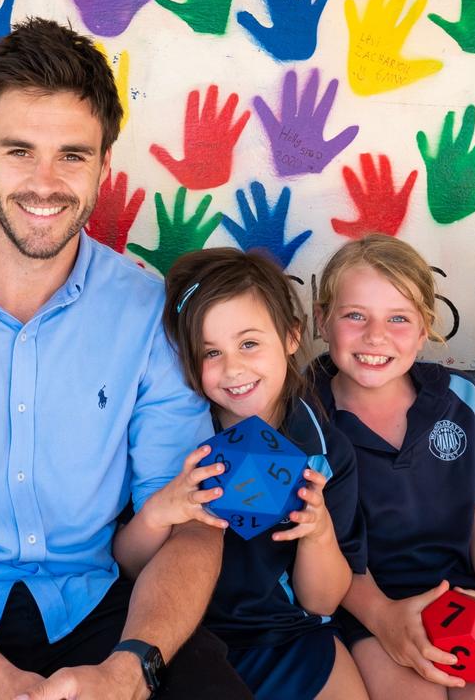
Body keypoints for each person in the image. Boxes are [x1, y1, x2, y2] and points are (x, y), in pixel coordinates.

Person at [0, 18, 252, 700]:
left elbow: (190, 526)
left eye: (72, 155)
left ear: (104, 165)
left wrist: (129, 672)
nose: (45, 182)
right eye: (21, 151)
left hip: (104, 608)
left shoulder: (152, 312)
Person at [311, 234, 475, 699]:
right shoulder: (303, 416)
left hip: (464, 598)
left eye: (398, 318)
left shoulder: (460, 400)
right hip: (365, 608)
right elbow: (318, 548)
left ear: (424, 328)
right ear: (321, 321)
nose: (376, 336)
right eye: (355, 316)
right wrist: (383, 618)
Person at [146, 247, 368, 699]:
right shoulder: (173, 438)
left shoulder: (323, 450)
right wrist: (158, 513)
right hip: (184, 639)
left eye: (249, 343)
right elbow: (130, 566)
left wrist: (317, 531)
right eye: (210, 352)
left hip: (287, 636)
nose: (233, 368)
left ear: (291, 337)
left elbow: (321, 601)